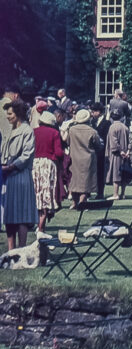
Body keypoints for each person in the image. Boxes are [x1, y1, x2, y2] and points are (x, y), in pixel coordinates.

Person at [1, 100, 37, 250]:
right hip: (8, 177)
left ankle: (21, 249)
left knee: (22, 213)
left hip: (21, 176)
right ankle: (11, 250)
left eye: (10, 114)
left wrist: (12, 166)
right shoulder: (10, 131)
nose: (8, 117)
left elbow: (27, 154)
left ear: (18, 114)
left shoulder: (27, 130)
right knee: (9, 215)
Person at [32, 110, 64, 236]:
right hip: (48, 165)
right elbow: (59, 152)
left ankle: (35, 223)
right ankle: (41, 227)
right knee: (46, 195)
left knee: (36, 194)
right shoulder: (54, 133)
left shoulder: (33, 132)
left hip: (34, 164)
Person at [67, 109, 102, 208]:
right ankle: (82, 201)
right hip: (88, 159)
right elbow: (98, 145)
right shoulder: (92, 131)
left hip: (74, 157)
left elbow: (68, 142)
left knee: (74, 181)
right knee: (86, 182)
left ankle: (74, 202)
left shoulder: (71, 130)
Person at [105, 110, 131, 201]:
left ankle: (115, 194)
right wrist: (128, 151)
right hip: (125, 155)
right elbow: (129, 140)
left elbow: (114, 142)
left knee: (116, 173)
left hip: (116, 154)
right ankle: (123, 193)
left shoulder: (112, 127)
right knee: (124, 173)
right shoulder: (125, 127)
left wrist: (120, 152)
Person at [91, 102, 110, 199]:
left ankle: (100, 192)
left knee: (101, 172)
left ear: (99, 112)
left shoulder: (107, 123)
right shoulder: (92, 122)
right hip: (93, 150)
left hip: (102, 151)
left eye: (94, 111)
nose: (92, 113)